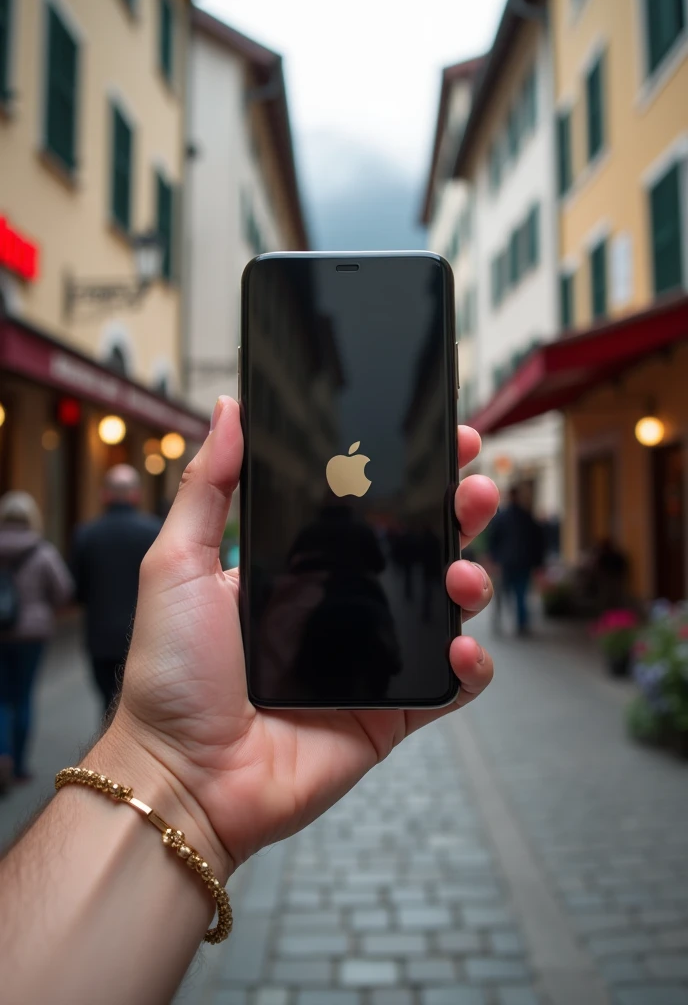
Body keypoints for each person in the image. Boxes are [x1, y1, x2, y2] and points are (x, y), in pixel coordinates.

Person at [0, 398, 499, 1004]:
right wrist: (169, 764)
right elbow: (378, 566)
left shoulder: (309, 531)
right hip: (365, 627)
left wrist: (161, 764)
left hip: (283, 630)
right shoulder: (364, 536)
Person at [71, 465, 162, 716]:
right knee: (135, 709)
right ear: (136, 495)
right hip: (142, 636)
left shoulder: (86, 534)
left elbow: (77, 591)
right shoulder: (154, 532)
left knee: (107, 705)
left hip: (99, 637)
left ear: (105, 495)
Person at [0, 492, 73, 790]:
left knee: (2, 698)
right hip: (33, 634)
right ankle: (17, 768)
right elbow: (64, 590)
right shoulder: (42, 551)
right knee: (23, 696)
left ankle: (2, 755)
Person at [488, 485, 544, 635]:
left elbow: (493, 540)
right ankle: (521, 625)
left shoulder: (501, 517)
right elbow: (537, 541)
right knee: (521, 594)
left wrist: (493, 559)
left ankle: (498, 622)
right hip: (523, 562)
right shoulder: (527, 516)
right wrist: (538, 562)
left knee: (501, 594)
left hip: (506, 562)